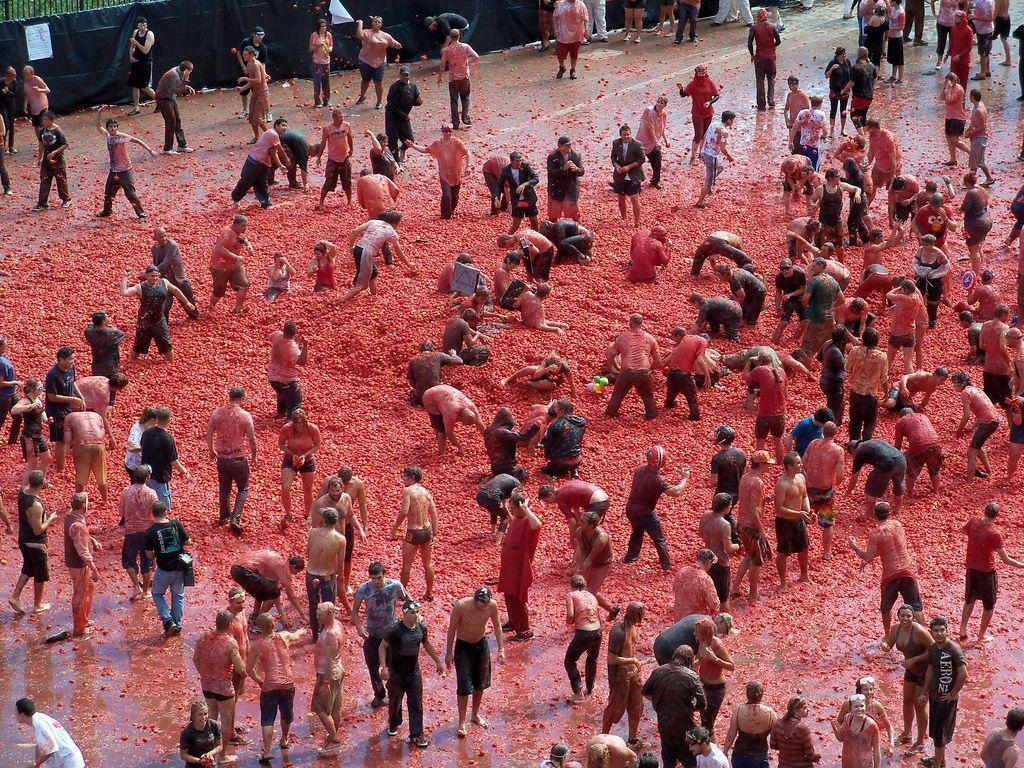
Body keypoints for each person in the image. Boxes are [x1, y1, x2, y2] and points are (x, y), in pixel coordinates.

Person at [379, 599, 445, 748]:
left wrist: (437, 661)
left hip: (414, 672)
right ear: (404, 614)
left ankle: (417, 734)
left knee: (416, 703)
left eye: (417, 612)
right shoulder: (395, 630)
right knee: (395, 701)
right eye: (412, 612)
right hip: (396, 673)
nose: (415, 615)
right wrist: (383, 667)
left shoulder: (421, 627)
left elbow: (426, 644)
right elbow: (382, 647)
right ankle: (394, 723)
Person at [958, 502, 1024, 643]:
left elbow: (963, 531)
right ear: (996, 516)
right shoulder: (994, 534)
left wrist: (975, 541)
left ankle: (962, 629)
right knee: (989, 605)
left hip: (971, 568)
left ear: (984, 511)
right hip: (986, 572)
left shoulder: (974, 521)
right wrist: (1022, 565)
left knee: (969, 599)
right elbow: (1005, 560)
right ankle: (981, 635)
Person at [246, 612, 306, 765]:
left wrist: (259, 681)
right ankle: (284, 739)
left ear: (259, 627)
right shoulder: (284, 636)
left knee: (267, 719)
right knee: (286, 714)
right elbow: (295, 636)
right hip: (287, 684)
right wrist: (301, 631)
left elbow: (249, 669)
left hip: (270, 685)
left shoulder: (257, 646)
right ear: (273, 624)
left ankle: (267, 751)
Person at [445, 586, 504, 737]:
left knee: (480, 683)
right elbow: (451, 629)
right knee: (464, 686)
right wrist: (448, 653)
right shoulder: (462, 606)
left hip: (480, 644)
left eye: (485, 603)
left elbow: (497, 626)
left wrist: (501, 649)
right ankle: (462, 721)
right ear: (474, 599)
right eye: (480, 603)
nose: (482, 606)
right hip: (463, 646)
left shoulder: (492, 606)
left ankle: (475, 714)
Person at [351, 562, 409, 709]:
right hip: (372, 635)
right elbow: (355, 610)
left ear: (384, 575)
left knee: (393, 668)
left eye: (379, 578)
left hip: (391, 635)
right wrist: (359, 627)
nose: (376, 582)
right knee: (373, 668)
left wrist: (410, 621)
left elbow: (408, 600)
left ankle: (394, 696)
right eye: (373, 578)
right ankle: (379, 695)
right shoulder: (364, 589)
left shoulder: (394, 586)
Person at [624, 446, 689, 570]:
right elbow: (676, 492)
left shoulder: (639, 469)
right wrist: (684, 478)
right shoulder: (657, 480)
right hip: (646, 513)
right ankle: (666, 565)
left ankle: (630, 558)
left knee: (637, 532)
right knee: (659, 539)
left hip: (631, 510)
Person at [192, 611, 245, 761]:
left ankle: (207, 752)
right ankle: (222, 755)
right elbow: (240, 668)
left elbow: (195, 658)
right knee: (226, 722)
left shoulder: (203, 638)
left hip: (207, 685)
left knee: (211, 718)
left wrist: (203, 673)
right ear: (229, 625)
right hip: (223, 687)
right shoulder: (230, 642)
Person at [643, 644, 706, 767]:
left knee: (668, 758)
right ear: (690, 660)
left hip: (664, 723)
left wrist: (660, 703)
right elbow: (703, 704)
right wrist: (691, 708)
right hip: (684, 725)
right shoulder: (691, 676)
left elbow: (645, 692)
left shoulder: (658, 671)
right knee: (690, 760)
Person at [204, 387, 256, 532]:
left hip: (222, 457)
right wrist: (254, 455)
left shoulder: (217, 413)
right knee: (243, 487)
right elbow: (252, 439)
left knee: (224, 488)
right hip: (238, 457)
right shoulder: (245, 415)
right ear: (242, 398)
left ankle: (224, 516)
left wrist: (211, 450)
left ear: (229, 397)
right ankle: (236, 517)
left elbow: (209, 433)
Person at [919, 617, 967, 768]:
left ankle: (937, 765)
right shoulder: (933, 649)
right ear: (931, 632)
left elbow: (963, 673)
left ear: (947, 631)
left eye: (942, 630)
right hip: (934, 696)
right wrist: (924, 692)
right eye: (936, 630)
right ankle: (940, 760)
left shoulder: (953, 649)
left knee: (940, 735)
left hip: (946, 700)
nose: (939, 633)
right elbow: (930, 670)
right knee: (935, 732)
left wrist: (953, 693)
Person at [120, 267, 195, 363]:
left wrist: (186, 302)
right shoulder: (140, 287)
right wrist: (125, 278)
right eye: (152, 276)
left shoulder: (164, 282)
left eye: (156, 276)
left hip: (159, 320)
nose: (155, 278)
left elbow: (176, 291)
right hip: (144, 321)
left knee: (166, 343)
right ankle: (132, 362)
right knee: (139, 344)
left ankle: (171, 363)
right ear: (146, 276)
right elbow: (124, 293)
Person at [95, 108, 155, 219]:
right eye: (110, 127)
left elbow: (136, 140)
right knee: (108, 192)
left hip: (124, 170)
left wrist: (149, 149)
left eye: (115, 127)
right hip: (113, 170)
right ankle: (107, 211)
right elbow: (99, 127)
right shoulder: (107, 135)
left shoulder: (121, 136)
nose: (113, 129)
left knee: (130, 193)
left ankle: (141, 213)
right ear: (108, 128)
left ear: (117, 128)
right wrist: (99, 113)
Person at [389, 466, 438, 600]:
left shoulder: (408, 491)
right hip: (427, 531)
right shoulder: (427, 492)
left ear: (411, 478)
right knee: (427, 563)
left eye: (405, 476)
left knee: (406, 565)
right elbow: (434, 514)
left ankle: (402, 594)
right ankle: (429, 593)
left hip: (414, 531)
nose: (403, 479)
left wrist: (395, 528)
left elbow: (404, 511)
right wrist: (435, 533)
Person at [498, 490, 542, 639]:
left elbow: (537, 525)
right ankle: (513, 622)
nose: (512, 512)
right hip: (510, 568)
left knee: (518, 597)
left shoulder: (528, 522)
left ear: (520, 508)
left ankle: (524, 630)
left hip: (520, 568)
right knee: (508, 595)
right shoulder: (516, 519)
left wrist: (527, 509)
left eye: (513, 509)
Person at [602, 602, 645, 748]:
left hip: (633, 673)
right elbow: (611, 659)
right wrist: (632, 660)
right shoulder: (618, 631)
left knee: (636, 707)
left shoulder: (633, 627)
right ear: (636, 615)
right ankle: (603, 739)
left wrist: (634, 664)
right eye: (641, 614)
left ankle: (632, 740)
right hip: (620, 675)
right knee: (614, 708)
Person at [8, 471, 52, 614]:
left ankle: (15, 597)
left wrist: (41, 486)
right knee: (40, 574)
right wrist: (50, 519)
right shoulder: (36, 505)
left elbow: (31, 487)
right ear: (40, 484)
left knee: (28, 567)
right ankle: (38, 605)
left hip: (23, 540)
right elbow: (38, 530)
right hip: (35, 543)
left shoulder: (23, 492)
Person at [144, 500, 190, 637]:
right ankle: (177, 623)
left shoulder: (150, 532)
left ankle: (168, 621)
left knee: (157, 594)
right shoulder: (176, 524)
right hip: (179, 567)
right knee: (178, 595)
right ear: (165, 512)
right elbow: (188, 542)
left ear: (153, 514)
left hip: (164, 569)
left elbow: (149, 554)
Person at [406, 126, 471, 220]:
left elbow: (467, 152)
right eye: (445, 131)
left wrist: (468, 166)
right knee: (447, 196)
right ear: (442, 132)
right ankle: (445, 216)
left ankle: (451, 211)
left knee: (455, 196)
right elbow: (426, 150)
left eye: (450, 131)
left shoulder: (457, 142)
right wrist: (413, 146)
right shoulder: (437, 144)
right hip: (444, 175)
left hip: (456, 174)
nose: (448, 134)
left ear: (452, 131)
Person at [605, 313, 661, 420]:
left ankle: (610, 414)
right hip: (643, 371)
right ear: (642, 324)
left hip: (627, 371)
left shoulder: (622, 338)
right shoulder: (649, 338)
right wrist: (649, 369)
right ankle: (651, 415)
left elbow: (610, 355)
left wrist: (617, 367)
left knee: (618, 394)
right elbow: (658, 360)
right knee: (648, 395)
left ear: (630, 323)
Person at [231, 117, 289, 209]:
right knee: (246, 181)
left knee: (262, 183)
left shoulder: (274, 136)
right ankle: (236, 199)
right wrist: (287, 159)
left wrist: (280, 165)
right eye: (283, 125)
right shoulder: (273, 134)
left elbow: (273, 153)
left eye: (286, 126)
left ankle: (265, 203)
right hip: (255, 160)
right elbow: (280, 149)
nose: (285, 128)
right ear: (276, 126)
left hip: (264, 163)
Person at [952, 371, 1001, 481]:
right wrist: (972, 427)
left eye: (955, 383)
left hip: (987, 423)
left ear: (961, 383)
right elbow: (984, 410)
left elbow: (967, 415)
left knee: (972, 450)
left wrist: (959, 431)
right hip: (994, 420)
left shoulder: (965, 393)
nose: (954, 386)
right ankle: (988, 471)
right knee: (978, 446)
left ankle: (969, 480)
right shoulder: (976, 389)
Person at [774, 451, 812, 590]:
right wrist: (799, 513)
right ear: (789, 466)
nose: (801, 465)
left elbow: (804, 495)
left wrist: (807, 510)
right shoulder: (782, 484)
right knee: (783, 553)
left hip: (798, 519)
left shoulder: (801, 477)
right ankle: (783, 581)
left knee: (804, 548)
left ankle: (804, 575)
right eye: (798, 463)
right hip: (785, 522)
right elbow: (779, 508)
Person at [310, 602, 345, 756]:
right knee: (336, 707)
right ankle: (332, 737)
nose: (317, 616)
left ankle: (334, 740)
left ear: (330, 613)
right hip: (336, 671)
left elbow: (330, 660)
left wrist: (325, 682)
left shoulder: (331, 633)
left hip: (328, 674)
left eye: (320, 614)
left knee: (320, 707)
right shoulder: (336, 624)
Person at [277, 409, 320, 526]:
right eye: (296, 423)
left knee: (307, 489)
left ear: (305, 421)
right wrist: (292, 454)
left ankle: (309, 515)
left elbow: (317, 445)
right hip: (290, 459)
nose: (298, 425)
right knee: (285, 487)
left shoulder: (312, 429)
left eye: (301, 422)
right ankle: (288, 514)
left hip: (307, 460)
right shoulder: (287, 428)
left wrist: (305, 455)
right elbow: (281, 444)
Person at [141, 407, 189, 509]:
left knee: (148, 504)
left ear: (156, 418)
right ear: (169, 420)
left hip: (146, 475)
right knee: (161, 507)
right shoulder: (167, 439)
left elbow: (142, 448)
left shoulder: (146, 433)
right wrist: (185, 472)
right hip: (160, 477)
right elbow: (174, 461)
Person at [15, 697, 84, 768]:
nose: (15, 714)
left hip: (68, 762)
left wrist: (34, 764)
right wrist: (37, 764)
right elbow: (39, 745)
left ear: (22, 714)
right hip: (70, 759)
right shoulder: (38, 718)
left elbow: (51, 749)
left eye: (16, 711)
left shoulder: (39, 724)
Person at [564, 574, 602, 703]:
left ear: (572, 585)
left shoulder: (571, 595)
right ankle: (590, 688)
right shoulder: (591, 595)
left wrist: (570, 621)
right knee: (592, 659)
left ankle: (578, 692)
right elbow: (598, 614)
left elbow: (570, 616)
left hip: (584, 632)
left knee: (570, 661)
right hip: (597, 631)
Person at [847, 327, 888, 445]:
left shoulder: (855, 351)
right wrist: (886, 392)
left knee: (855, 420)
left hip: (855, 392)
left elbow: (847, 368)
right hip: (870, 395)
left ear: (863, 339)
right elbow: (884, 379)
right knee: (869, 423)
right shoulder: (881, 357)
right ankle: (866, 445)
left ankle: (853, 444)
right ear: (877, 341)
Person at [745, 353, 788, 463]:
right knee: (778, 440)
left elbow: (745, 376)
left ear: (760, 362)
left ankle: (759, 464)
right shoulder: (781, 371)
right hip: (780, 414)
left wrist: (749, 362)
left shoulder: (760, 369)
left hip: (765, 413)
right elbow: (785, 393)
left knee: (760, 441)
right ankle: (779, 463)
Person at [724, 681, 778, 768]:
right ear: (761, 695)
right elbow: (775, 738)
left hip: (740, 756)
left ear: (747, 694)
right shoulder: (770, 713)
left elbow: (731, 735)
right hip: (759, 757)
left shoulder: (738, 711)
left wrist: (725, 751)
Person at [63, 406, 111, 503]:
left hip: (82, 445)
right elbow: (102, 432)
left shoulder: (70, 416)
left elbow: (67, 437)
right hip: (98, 444)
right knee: (101, 476)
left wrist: (68, 448)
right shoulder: (97, 415)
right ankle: (106, 501)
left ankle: (79, 502)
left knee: (80, 477)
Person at [151, 228, 200, 320]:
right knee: (165, 303)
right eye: (161, 237)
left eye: (165, 235)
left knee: (187, 300)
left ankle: (195, 317)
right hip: (166, 279)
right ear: (155, 238)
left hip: (178, 278)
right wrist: (152, 275)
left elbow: (167, 262)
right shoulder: (154, 249)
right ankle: (163, 324)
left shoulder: (172, 246)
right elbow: (156, 263)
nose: (164, 238)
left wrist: (152, 271)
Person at [421, 384, 484, 456]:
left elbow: (481, 425)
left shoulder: (471, 406)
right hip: (429, 397)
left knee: (442, 423)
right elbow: (449, 433)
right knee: (442, 429)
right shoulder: (451, 413)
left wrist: (489, 441)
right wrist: (460, 448)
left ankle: (437, 437)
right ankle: (441, 454)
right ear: (459, 418)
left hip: (443, 389)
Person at [894, 408, 944, 496]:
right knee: (935, 470)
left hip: (918, 446)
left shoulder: (901, 421)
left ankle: (909, 493)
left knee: (911, 472)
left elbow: (897, 446)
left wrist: (896, 458)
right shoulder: (923, 416)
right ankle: (936, 491)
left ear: (901, 416)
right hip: (935, 444)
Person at [355, 16, 401, 110]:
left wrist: (397, 44)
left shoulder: (385, 35)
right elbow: (359, 35)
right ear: (372, 23)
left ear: (381, 24)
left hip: (380, 61)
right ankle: (362, 96)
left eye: (379, 22)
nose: (377, 23)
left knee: (378, 82)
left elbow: (393, 42)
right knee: (365, 80)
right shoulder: (367, 32)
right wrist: (360, 24)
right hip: (366, 61)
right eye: (375, 22)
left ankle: (379, 101)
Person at [438, 29, 479, 129]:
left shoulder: (446, 50)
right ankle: (465, 117)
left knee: (454, 100)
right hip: (464, 76)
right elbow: (476, 57)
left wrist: (440, 76)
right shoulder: (465, 46)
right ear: (459, 36)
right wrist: (468, 63)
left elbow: (443, 65)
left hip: (453, 78)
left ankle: (455, 123)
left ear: (450, 37)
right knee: (465, 97)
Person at [267, 321, 308, 419]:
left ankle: (280, 413)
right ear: (296, 332)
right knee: (295, 402)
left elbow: (269, 338)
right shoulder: (292, 348)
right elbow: (302, 362)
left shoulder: (277, 335)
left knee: (281, 394)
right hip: (287, 380)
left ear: (284, 329)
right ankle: (290, 421)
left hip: (273, 377)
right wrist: (305, 347)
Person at [315, 109, 354, 210]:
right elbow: (323, 143)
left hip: (344, 158)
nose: (342, 119)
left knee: (347, 182)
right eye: (340, 117)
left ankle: (349, 202)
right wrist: (319, 157)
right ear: (334, 118)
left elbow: (350, 138)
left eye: (342, 117)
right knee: (328, 182)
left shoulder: (347, 125)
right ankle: (321, 203)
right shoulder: (327, 128)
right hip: (333, 159)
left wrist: (351, 149)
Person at [696, 111, 736, 209]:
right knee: (709, 182)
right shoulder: (724, 132)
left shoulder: (713, 124)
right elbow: (723, 149)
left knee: (720, 167)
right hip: (712, 156)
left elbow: (704, 136)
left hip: (705, 152)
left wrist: (701, 151)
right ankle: (699, 202)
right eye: (732, 120)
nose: (733, 122)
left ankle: (709, 182)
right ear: (728, 120)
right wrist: (729, 157)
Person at [154, 61, 195, 155]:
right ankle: (167, 148)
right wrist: (186, 80)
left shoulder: (178, 71)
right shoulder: (174, 75)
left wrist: (187, 87)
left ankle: (182, 145)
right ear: (186, 70)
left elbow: (178, 86)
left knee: (178, 120)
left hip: (170, 97)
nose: (190, 73)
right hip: (163, 99)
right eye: (190, 71)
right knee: (171, 122)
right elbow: (179, 91)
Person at [33, 111, 71, 212]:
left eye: (46, 120)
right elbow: (41, 145)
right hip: (46, 161)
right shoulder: (42, 131)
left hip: (58, 161)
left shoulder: (58, 131)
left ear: (51, 120)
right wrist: (40, 158)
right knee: (44, 180)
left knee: (61, 180)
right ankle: (42, 203)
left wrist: (54, 152)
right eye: (43, 120)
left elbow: (65, 144)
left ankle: (66, 199)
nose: (44, 122)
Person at [832, 693, 881, 768]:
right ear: (850, 709)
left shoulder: (872, 726)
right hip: (847, 762)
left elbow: (876, 751)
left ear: (865, 707)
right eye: (856, 706)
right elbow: (841, 739)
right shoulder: (847, 719)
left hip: (864, 764)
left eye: (862, 706)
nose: (859, 709)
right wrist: (835, 728)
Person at [540, 398, 587, 477]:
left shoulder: (555, 425)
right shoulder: (581, 422)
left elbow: (548, 444)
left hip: (561, 462)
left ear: (560, 410)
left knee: (543, 472)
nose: (554, 409)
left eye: (556, 407)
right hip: (577, 459)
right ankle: (573, 470)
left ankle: (560, 470)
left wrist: (547, 455)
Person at [610, 124, 645, 227]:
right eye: (624, 135)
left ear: (630, 134)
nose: (626, 137)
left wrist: (629, 167)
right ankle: (624, 218)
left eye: (628, 134)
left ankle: (637, 222)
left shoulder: (637, 144)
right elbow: (613, 157)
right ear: (620, 135)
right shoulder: (616, 143)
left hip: (633, 175)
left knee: (634, 198)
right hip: (620, 175)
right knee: (621, 197)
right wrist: (616, 165)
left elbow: (642, 159)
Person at [772, 695, 821, 768]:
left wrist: (787, 749)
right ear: (795, 711)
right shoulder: (803, 729)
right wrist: (817, 756)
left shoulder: (778, 724)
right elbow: (809, 754)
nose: (808, 710)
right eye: (805, 708)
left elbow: (773, 745)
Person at [385, 66, 422, 162]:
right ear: (399, 75)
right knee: (392, 140)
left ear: (410, 76)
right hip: (392, 115)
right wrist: (404, 115)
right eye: (403, 75)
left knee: (410, 139)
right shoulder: (395, 87)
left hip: (404, 116)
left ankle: (402, 149)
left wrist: (419, 102)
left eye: (407, 75)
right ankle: (395, 161)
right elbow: (391, 104)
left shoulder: (413, 86)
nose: (405, 77)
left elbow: (415, 101)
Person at [546, 135, 585, 221]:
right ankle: (552, 233)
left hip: (570, 190)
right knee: (553, 217)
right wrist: (563, 168)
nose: (569, 147)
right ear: (560, 146)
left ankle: (581, 233)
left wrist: (576, 169)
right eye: (567, 145)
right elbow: (551, 172)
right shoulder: (552, 156)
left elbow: (582, 171)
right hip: (556, 190)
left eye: (570, 145)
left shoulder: (576, 155)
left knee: (576, 216)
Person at [234, 25, 269, 119]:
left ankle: (265, 113)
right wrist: (243, 66)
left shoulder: (262, 49)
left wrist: (264, 73)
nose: (261, 37)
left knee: (259, 94)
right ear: (254, 35)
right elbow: (238, 53)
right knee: (246, 92)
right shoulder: (246, 43)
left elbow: (263, 64)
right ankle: (246, 110)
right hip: (246, 69)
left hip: (255, 74)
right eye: (259, 35)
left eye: (263, 35)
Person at [236, 46, 269, 143]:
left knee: (257, 117)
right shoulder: (249, 64)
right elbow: (252, 82)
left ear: (251, 54)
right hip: (255, 92)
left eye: (245, 55)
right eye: (243, 54)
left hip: (262, 92)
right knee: (251, 116)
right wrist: (242, 88)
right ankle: (256, 137)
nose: (244, 56)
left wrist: (245, 79)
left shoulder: (255, 64)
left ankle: (270, 136)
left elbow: (258, 80)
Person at [636, 97, 669, 189]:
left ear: (665, 105)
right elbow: (650, 128)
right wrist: (657, 142)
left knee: (657, 162)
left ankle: (655, 181)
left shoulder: (663, 115)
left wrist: (666, 141)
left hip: (653, 142)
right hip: (642, 141)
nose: (659, 104)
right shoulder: (648, 111)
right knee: (636, 162)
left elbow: (662, 129)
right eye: (658, 102)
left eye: (661, 103)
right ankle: (629, 183)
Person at [179, 699, 223, 767]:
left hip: (210, 763)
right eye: (200, 714)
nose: (203, 717)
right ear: (193, 715)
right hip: (193, 765)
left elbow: (219, 746)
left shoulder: (213, 725)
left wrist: (210, 754)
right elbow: (183, 755)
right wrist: (200, 760)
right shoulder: (187, 732)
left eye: (205, 714)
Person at [309, 18, 333, 108]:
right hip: (317, 62)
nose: (324, 28)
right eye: (322, 26)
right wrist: (317, 45)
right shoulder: (314, 35)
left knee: (326, 82)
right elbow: (310, 49)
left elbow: (331, 45)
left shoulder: (328, 35)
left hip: (326, 61)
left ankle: (326, 100)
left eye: (325, 26)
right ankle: (317, 102)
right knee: (317, 83)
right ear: (318, 27)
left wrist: (330, 48)